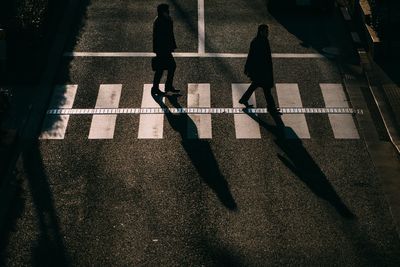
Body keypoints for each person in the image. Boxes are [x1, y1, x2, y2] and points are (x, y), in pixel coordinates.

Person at [239, 24, 280, 114]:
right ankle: (271, 108)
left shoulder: (262, 40)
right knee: (266, 90)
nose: (267, 33)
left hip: (261, 70)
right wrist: (248, 67)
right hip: (261, 70)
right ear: (261, 31)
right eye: (266, 31)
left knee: (255, 86)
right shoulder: (258, 42)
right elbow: (251, 56)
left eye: (267, 31)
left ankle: (243, 99)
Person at [151, 4, 180, 95]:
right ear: (163, 12)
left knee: (161, 69)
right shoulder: (161, 21)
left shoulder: (162, 20)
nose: (169, 11)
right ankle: (166, 87)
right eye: (167, 10)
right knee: (170, 67)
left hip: (163, 49)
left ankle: (158, 87)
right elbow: (164, 36)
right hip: (163, 50)